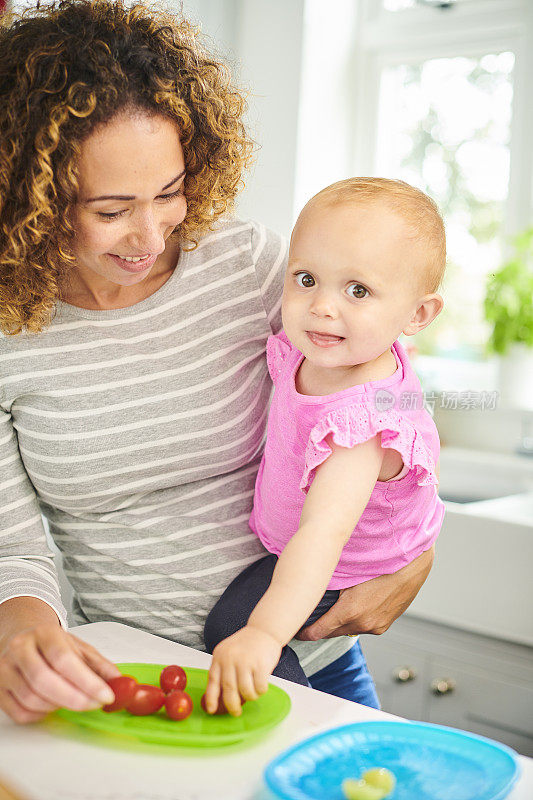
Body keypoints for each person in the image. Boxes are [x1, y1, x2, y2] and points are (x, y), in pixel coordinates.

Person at [0, 0, 434, 725]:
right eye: (110, 210)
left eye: (168, 193)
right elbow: (13, 547)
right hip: (137, 681)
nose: (150, 235)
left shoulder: (251, 266)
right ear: (30, 198)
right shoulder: (10, 334)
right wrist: (22, 630)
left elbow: (384, 398)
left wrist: (414, 548)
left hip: (307, 663)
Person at [203, 178, 446, 716]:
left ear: (417, 315)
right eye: (306, 278)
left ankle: (303, 729)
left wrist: (265, 635)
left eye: (357, 290)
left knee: (232, 627)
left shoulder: (361, 421)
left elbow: (324, 531)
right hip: (313, 542)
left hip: (356, 558)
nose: (322, 308)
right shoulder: (319, 351)